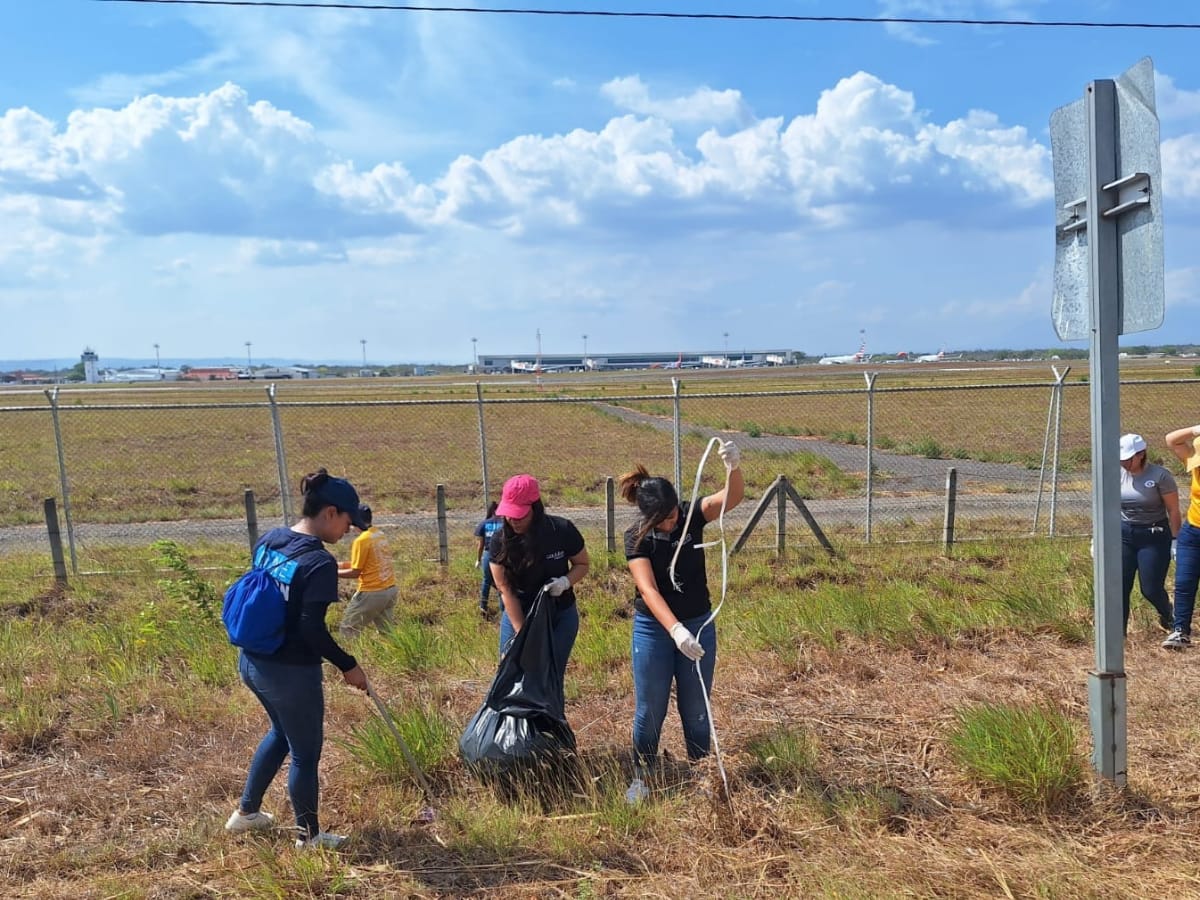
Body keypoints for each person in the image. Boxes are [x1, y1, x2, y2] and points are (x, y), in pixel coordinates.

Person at [225, 468, 370, 849]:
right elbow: (311, 630)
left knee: (280, 733)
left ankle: (247, 814)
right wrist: (348, 664)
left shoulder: (272, 540)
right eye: (347, 523)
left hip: (252, 662)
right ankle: (309, 837)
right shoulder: (319, 564)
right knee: (306, 753)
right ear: (330, 513)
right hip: (290, 673)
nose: (348, 532)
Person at [618, 439, 743, 802]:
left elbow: (729, 499)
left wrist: (735, 468)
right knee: (650, 705)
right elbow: (649, 590)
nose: (674, 522)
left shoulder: (691, 515)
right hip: (655, 630)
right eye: (666, 520)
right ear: (649, 518)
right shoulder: (636, 537)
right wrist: (674, 629)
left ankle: (701, 773)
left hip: (699, 622)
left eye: (675, 515)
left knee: (695, 704)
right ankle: (642, 775)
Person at [488, 474, 589, 689]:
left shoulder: (561, 530)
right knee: (513, 676)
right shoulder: (500, 541)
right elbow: (505, 589)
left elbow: (582, 564)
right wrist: (522, 634)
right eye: (509, 515)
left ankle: (549, 722)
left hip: (559, 615)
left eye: (520, 516)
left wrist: (565, 582)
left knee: (551, 679)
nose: (513, 521)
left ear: (535, 508)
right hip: (519, 612)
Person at [1117, 433, 1177, 635]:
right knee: (1120, 586)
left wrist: (1175, 540)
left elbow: (1173, 510)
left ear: (1141, 454)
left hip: (1154, 535)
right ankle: (1118, 634)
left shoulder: (1160, 476)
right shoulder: (1115, 474)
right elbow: (1105, 507)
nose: (1124, 463)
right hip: (1124, 535)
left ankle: (1168, 613)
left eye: (1128, 459)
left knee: (1150, 588)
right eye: (1121, 459)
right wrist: (1097, 538)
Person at [337, 504, 398, 638]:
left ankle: (349, 658)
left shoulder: (361, 540)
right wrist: (337, 565)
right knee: (387, 634)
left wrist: (331, 573)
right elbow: (364, 564)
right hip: (390, 591)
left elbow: (355, 572)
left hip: (372, 592)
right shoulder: (379, 535)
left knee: (348, 630)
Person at [1163, 425, 1200, 649]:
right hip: (1192, 532)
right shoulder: (1193, 462)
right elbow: (1171, 439)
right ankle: (1180, 632)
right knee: (1184, 584)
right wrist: (1197, 429)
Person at [473, 501, 503, 616]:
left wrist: (478, 559)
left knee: (486, 580)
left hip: (488, 553)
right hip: (501, 555)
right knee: (501, 582)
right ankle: (503, 608)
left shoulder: (484, 524)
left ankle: (483, 606)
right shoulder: (505, 523)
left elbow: (480, 545)